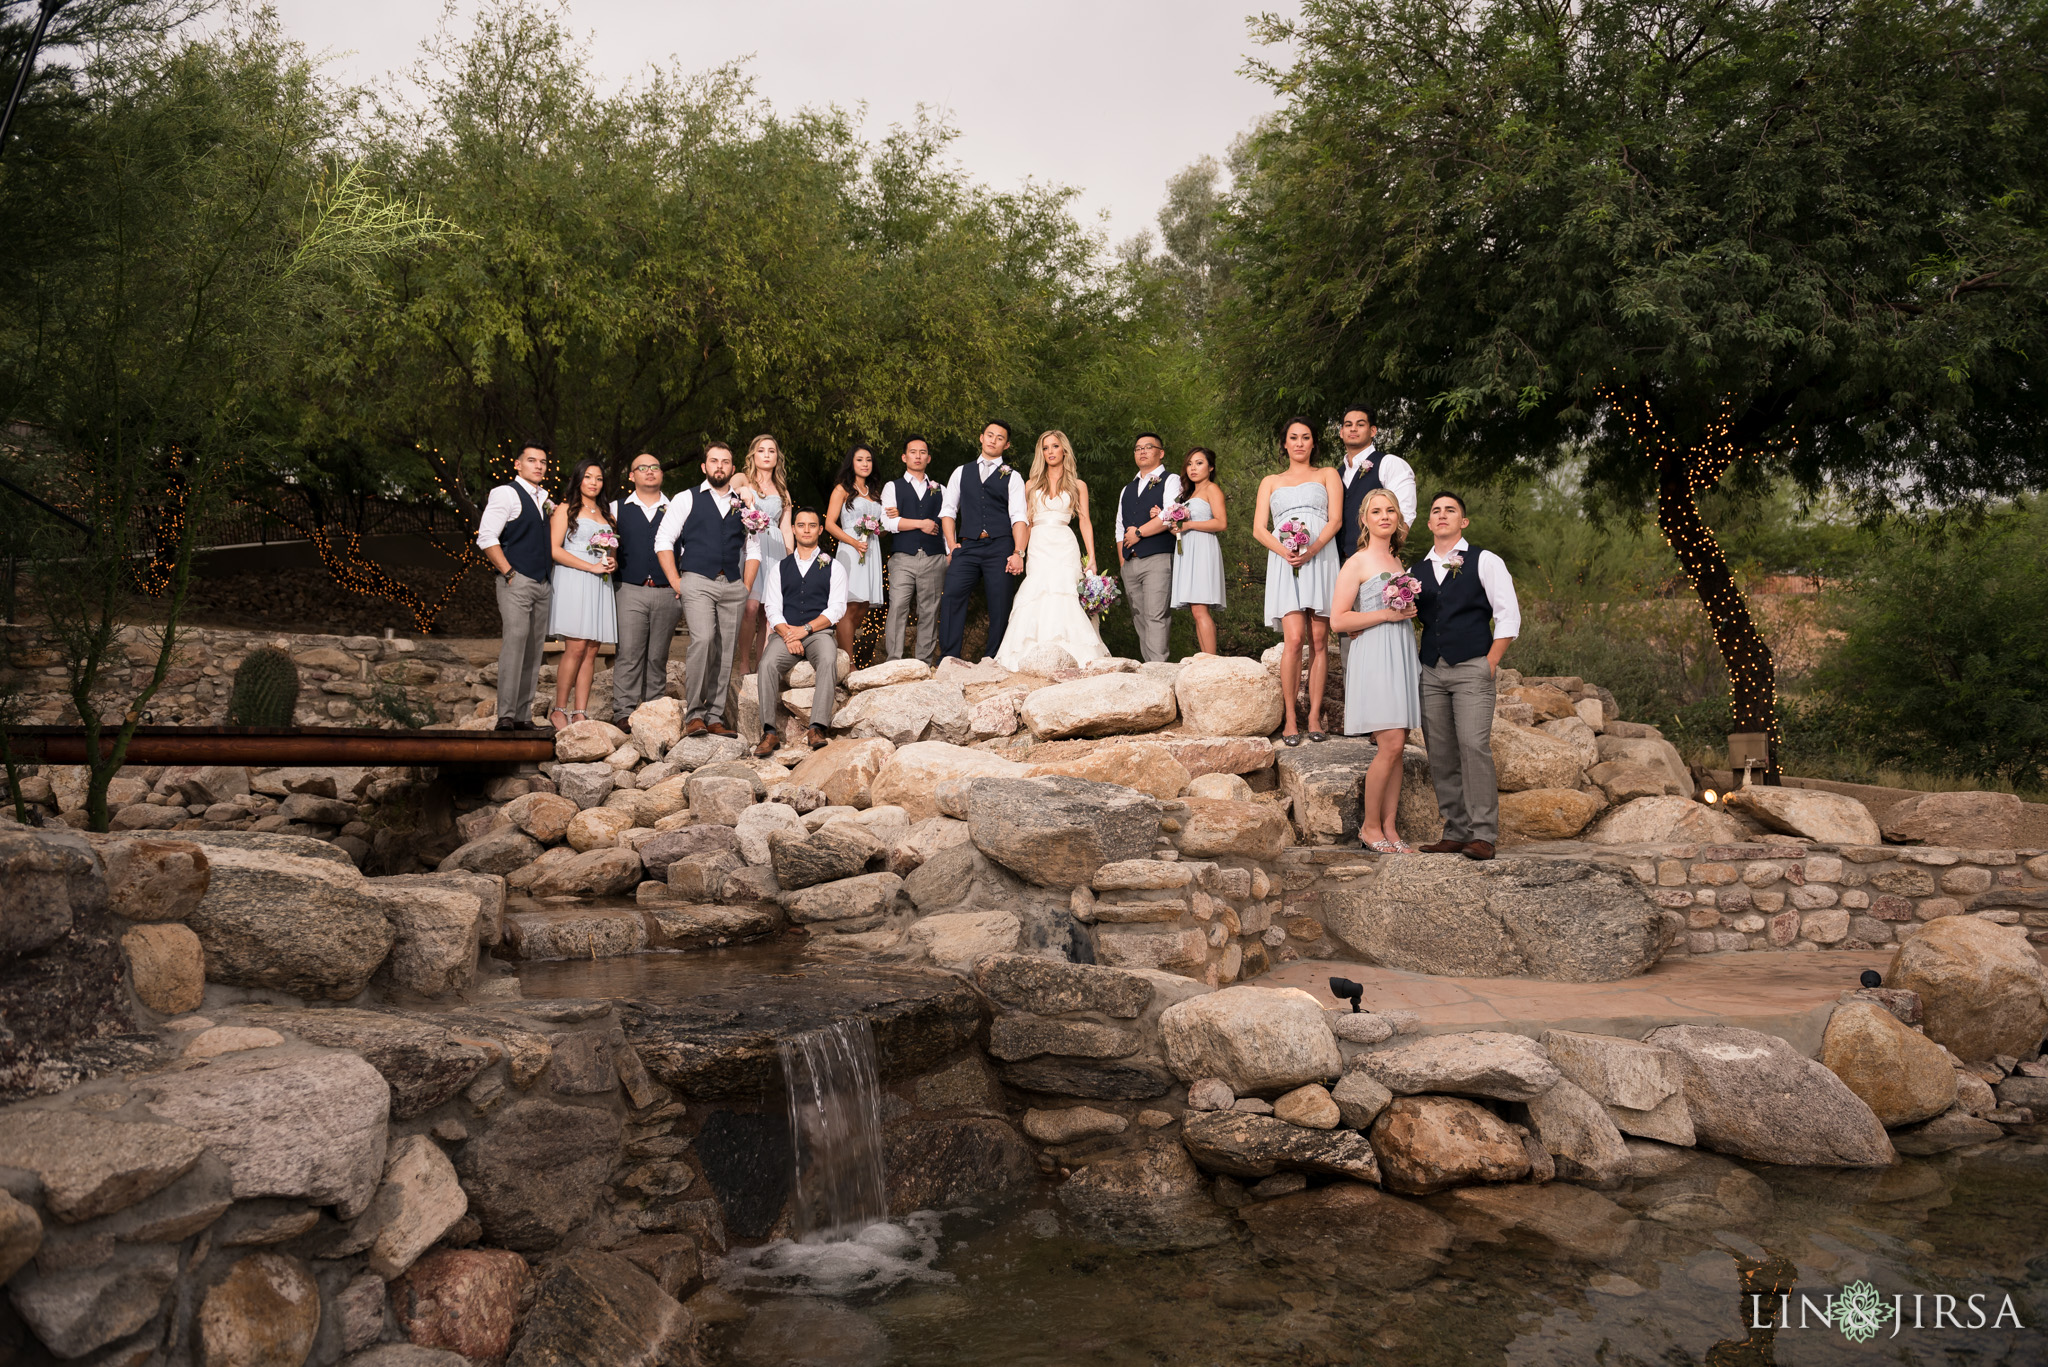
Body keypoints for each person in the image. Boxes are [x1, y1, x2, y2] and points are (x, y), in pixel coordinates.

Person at [1412, 491, 1521, 861]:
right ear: (1428, 523)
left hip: (1473, 665)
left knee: (1473, 746)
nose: (1442, 515)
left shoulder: (1485, 560)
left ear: (1464, 522)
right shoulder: (1416, 571)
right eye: (1436, 511)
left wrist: (1491, 661)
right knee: (1440, 752)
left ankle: (1483, 834)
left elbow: (1508, 615)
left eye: (1451, 510)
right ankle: (1455, 831)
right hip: (1431, 670)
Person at [1332, 488, 1422, 852]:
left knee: (1398, 747)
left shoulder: (1401, 564)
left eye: (1390, 510)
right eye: (1376, 511)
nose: (1384, 516)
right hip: (1374, 653)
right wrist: (1386, 614)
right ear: (1365, 520)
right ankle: (1369, 828)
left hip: (1400, 650)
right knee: (1391, 743)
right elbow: (1339, 619)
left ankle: (1390, 828)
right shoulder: (1357, 562)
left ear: (1399, 518)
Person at [654, 442, 760, 738]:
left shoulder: (744, 502)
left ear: (732, 468)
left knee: (726, 650)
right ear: (704, 467)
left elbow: (754, 548)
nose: (719, 466)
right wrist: (677, 581)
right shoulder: (686, 498)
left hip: (733, 584)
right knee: (703, 640)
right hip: (697, 580)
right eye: (713, 461)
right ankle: (694, 715)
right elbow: (663, 541)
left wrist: (747, 586)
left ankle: (715, 715)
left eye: (725, 462)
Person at [1256, 418, 1345, 744]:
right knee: (1294, 640)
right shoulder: (1270, 481)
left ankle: (1314, 717)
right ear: (1285, 443)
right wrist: (1286, 551)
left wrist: (1312, 550)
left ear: (1313, 442)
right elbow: (1259, 528)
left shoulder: (1327, 474)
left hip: (1320, 557)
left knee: (1319, 640)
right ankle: (1291, 718)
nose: (1299, 443)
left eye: (1305, 437)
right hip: (1285, 560)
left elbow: (1335, 520)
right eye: (1293, 437)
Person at [994, 430, 1108, 670]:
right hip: (1038, 544)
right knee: (1037, 591)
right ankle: (1030, 657)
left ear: (1064, 450)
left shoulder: (1078, 485)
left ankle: (1074, 657)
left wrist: (1092, 558)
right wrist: (1020, 553)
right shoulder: (1031, 485)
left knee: (1065, 591)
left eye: (1055, 446)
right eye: (1045, 448)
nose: (1050, 452)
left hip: (1065, 544)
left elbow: (1084, 520)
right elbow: (1026, 522)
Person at [755, 507, 847, 755]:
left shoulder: (834, 566)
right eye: (801, 525)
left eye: (812, 525)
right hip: (785, 632)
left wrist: (804, 630)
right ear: (793, 529)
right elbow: (772, 608)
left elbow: (837, 609)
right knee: (766, 665)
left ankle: (816, 728)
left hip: (818, 633)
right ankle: (769, 732)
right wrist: (787, 634)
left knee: (829, 659)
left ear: (819, 529)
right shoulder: (779, 568)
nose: (806, 529)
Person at [476, 442, 555, 730]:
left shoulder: (544, 498)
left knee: (534, 650)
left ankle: (523, 716)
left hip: (543, 583)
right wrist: (509, 572)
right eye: (531, 460)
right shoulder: (506, 493)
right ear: (517, 464)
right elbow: (486, 537)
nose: (538, 465)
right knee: (515, 644)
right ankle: (506, 716)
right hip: (517, 581)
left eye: (543, 462)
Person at [939, 421, 1029, 662]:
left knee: (999, 603)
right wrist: (951, 545)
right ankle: (949, 657)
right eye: (990, 435)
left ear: (1006, 444)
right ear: (981, 437)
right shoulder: (961, 471)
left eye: (999, 438)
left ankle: (994, 658)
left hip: (1000, 546)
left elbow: (1019, 517)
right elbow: (948, 511)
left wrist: (1018, 552)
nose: (993, 440)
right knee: (951, 597)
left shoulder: (1013, 477)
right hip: (967, 545)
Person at [543, 458, 620, 728]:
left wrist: (612, 563)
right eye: (588, 477)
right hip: (574, 579)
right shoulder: (565, 509)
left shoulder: (607, 515)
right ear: (578, 479)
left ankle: (580, 712)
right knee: (575, 647)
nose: (594, 483)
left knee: (592, 649)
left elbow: (612, 553)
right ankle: (559, 709)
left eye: (599, 479)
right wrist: (590, 567)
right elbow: (554, 550)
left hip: (599, 583)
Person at [609, 452, 680, 726]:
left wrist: (679, 582)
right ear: (632, 475)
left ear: (661, 473)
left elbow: (684, 547)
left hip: (666, 591)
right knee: (628, 652)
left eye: (655, 467)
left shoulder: (676, 508)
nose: (649, 471)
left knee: (658, 656)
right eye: (642, 468)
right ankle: (623, 713)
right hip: (629, 589)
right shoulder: (616, 508)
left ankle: (652, 713)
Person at [1114, 433, 1180, 662]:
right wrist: (1123, 562)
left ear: (1160, 453)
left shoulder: (1171, 480)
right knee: (1139, 616)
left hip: (1158, 558)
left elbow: (1170, 515)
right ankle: (1149, 667)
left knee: (1156, 615)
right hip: (1130, 562)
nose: (1142, 451)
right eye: (1138, 448)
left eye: (1148, 447)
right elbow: (1119, 526)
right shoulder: (1127, 489)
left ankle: (1159, 669)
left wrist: (1139, 533)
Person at [881, 435, 946, 665]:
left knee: (929, 610)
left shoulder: (941, 489)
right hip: (903, 557)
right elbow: (888, 524)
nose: (917, 456)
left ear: (928, 458)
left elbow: (947, 522)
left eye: (922, 452)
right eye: (913, 452)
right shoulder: (893, 487)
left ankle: (923, 663)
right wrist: (920, 523)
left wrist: (949, 553)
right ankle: (894, 662)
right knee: (898, 607)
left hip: (934, 556)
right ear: (904, 457)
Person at [733, 434, 794, 677]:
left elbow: (786, 528)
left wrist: (791, 560)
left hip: (777, 547)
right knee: (749, 607)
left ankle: (762, 664)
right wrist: (745, 493)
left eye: (771, 450)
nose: (767, 454)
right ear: (753, 455)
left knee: (769, 612)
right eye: (761, 450)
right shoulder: (743, 478)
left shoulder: (783, 490)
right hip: (752, 545)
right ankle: (744, 662)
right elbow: (733, 488)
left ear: (777, 457)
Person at [825, 444, 887, 658]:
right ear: (852, 462)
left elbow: (882, 529)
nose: (865, 464)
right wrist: (853, 542)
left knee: (863, 606)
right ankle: (848, 662)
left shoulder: (875, 493)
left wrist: (885, 524)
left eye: (868, 460)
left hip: (872, 550)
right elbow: (830, 524)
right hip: (851, 550)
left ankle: (842, 652)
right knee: (849, 606)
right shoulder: (842, 489)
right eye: (860, 459)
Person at [1335, 403, 1417, 560]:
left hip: (1374, 561)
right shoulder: (1336, 474)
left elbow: (1405, 513)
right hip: (1337, 564)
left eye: (1360, 424)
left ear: (1372, 431)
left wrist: (1386, 555)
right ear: (1341, 432)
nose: (1353, 429)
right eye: (1348, 425)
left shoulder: (1389, 463)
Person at [1168, 446, 1227, 656]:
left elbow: (1221, 523)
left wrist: (1190, 525)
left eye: (1199, 463)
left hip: (1203, 548)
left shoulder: (1212, 489)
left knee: (1201, 608)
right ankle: (1205, 658)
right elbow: (1183, 525)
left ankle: (1211, 661)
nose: (1193, 468)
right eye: (1190, 463)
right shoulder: (1189, 494)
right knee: (1196, 610)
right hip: (1188, 549)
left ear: (1210, 467)